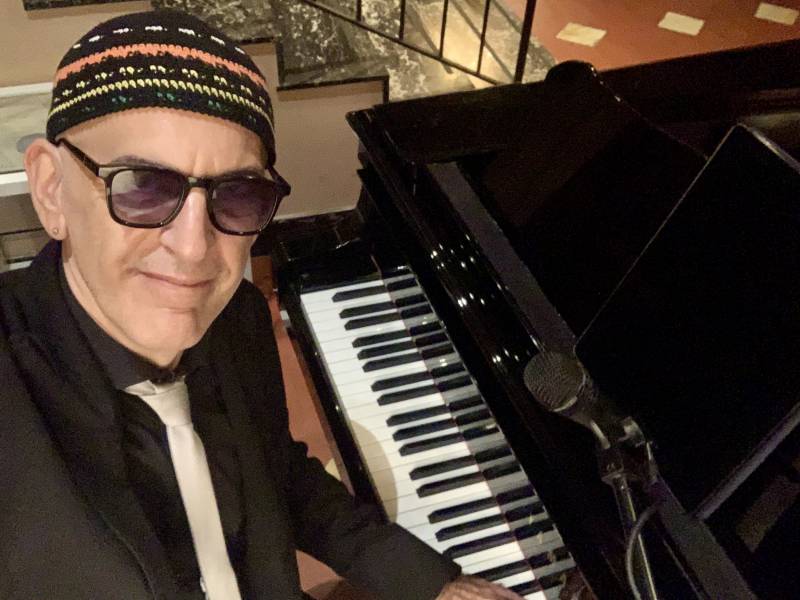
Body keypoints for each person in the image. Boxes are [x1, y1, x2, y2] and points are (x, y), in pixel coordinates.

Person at [0, 9, 526, 600]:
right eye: (142, 187)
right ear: (51, 190)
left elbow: (276, 473)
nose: (194, 248)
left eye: (238, 194)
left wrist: (435, 585)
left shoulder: (239, 319)